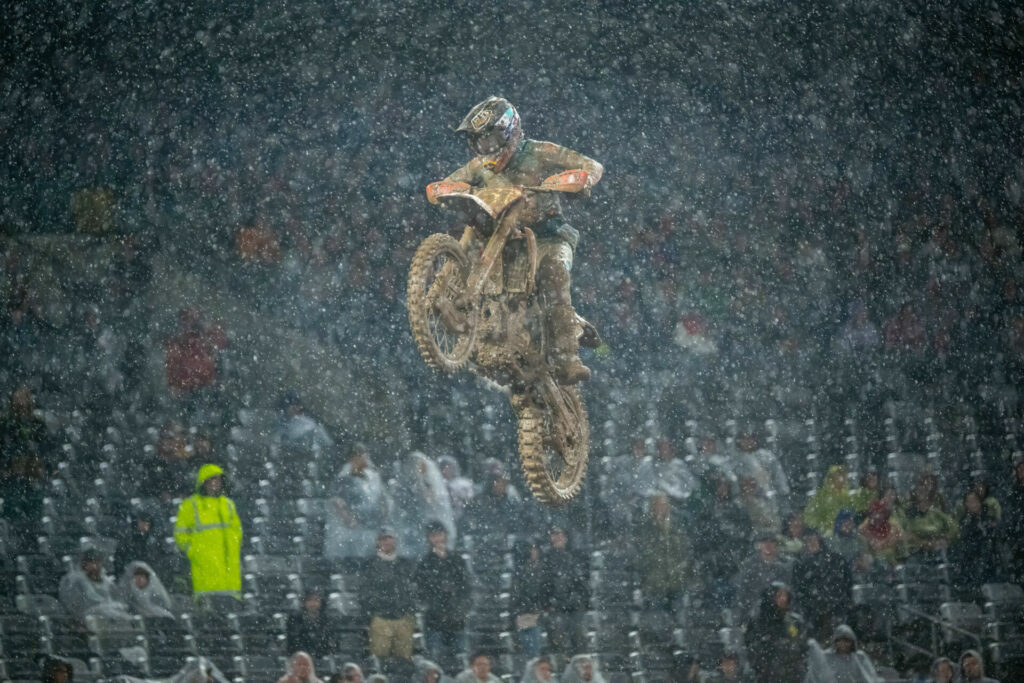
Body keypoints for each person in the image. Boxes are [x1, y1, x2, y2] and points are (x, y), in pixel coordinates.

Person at [430, 96, 604, 384]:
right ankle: (442, 293)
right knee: (471, 230)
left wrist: (578, 178)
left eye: (488, 141)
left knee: (554, 272)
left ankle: (567, 356)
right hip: (501, 235)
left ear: (507, 131)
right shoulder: (479, 167)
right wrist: (444, 189)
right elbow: (451, 182)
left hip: (547, 233)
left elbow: (592, 165)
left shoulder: (538, 151)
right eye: (478, 143)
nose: (484, 150)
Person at [173, 463, 243, 610]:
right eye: (212, 479)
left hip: (229, 570)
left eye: (218, 480)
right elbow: (180, 533)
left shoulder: (228, 504)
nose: (215, 483)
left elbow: (237, 531)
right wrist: (194, 551)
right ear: (204, 482)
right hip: (205, 568)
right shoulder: (190, 505)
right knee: (208, 615)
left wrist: (234, 547)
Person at [414, 520, 471, 670]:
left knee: (460, 661)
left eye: (440, 534)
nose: (438, 539)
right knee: (435, 662)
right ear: (429, 538)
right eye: (434, 535)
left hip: (456, 619)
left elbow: (466, 588)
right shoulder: (424, 563)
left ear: (446, 535)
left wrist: (460, 609)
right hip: (434, 620)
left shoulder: (457, 560)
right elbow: (421, 592)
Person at [635, 493, 699, 612]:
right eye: (658, 505)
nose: (661, 508)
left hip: (676, 584)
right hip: (654, 585)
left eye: (664, 505)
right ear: (652, 507)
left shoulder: (677, 527)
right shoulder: (645, 529)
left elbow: (684, 552)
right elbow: (644, 556)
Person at [324, 443, 389, 560]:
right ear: (353, 458)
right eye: (362, 456)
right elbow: (335, 501)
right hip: (352, 531)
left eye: (366, 455)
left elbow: (382, 496)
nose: (366, 458)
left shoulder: (373, 475)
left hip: (373, 527)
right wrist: (348, 518)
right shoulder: (343, 477)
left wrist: (383, 512)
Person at [363, 528, 417, 660]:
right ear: (378, 542)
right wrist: (377, 606)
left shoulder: (406, 564)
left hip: (403, 617)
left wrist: (408, 607)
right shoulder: (370, 564)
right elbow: (365, 591)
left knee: (404, 660)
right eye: (383, 539)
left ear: (395, 541)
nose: (386, 542)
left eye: (389, 538)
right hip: (381, 618)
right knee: (380, 658)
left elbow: (413, 588)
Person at [791, 529, 852, 642]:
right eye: (807, 541)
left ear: (819, 540)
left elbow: (847, 583)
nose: (811, 543)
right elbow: (798, 590)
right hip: (811, 611)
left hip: (836, 607)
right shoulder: (800, 564)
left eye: (813, 539)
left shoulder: (836, 559)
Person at [392, 451, 457, 558]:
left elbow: (440, 505)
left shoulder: (433, 484)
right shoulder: (406, 486)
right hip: (415, 527)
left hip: (433, 525)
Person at [538, 525, 590, 655]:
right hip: (556, 608)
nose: (557, 538)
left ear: (566, 538)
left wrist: (579, 599)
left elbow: (582, 582)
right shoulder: (546, 560)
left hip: (574, 606)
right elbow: (543, 584)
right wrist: (549, 603)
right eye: (554, 535)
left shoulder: (575, 557)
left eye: (560, 535)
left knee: (579, 639)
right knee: (557, 639)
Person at [744, 583, 806, 683]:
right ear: (771, 597)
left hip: (789, 673)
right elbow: (751, 645)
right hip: (765, 673)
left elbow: (800, 645)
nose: (782, 599)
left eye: (785, 595)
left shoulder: (794, 621)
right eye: (779, 595)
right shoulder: (758, 620)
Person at [58, 547, 133, 624]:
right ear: (84, 563)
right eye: (92, 562)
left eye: (98, 562)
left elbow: (119, 600)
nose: (95, 566)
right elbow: (75, 606)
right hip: (90, 619)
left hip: (111, 617)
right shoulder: (73, 580)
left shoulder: (108, 582)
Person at [733, 534, 790, 620]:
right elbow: (742, 591)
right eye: (765, 542)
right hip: (752, 611)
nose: (768, 545)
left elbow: (786, 591)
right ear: (760, 545)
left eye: (772, 542)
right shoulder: (749, 565)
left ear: (776, 545)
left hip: (775, 612)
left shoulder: (783, 566)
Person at [803, 624, 880, 683]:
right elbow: (816, 672)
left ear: (852, 642)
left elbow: (868, 676)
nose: (842, 644)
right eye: (839, 640)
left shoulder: (859, 657)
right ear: (835, 641)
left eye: (846, 640)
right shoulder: (827, 656)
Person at [510, 537, 547, 658]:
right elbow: (516, 595)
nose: (532, 551)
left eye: (535, 548)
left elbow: (544, 591)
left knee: (535, 653)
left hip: (539, 614)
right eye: (530, 548)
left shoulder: (545, 569)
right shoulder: (519, 571)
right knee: (528, 654)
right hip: (524, 615)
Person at [286, 587, 340, 659]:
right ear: (304, 602)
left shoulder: (327, 620)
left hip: (323, 657)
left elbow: (331, 641)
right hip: (301, 657)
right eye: (309, 600)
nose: (313, 604)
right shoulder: (295, 619)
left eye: (316, 600)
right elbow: (294, 641)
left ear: (321, 602)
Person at [804, 465, 854, 536]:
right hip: (827, 536)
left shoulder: (847, 496)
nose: (841, 480)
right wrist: (825, 527)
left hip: (845, 535)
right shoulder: (821, 496)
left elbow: (851, 514)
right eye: (838, 476)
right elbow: (809, 517)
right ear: (831, 478)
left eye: (843, 476)